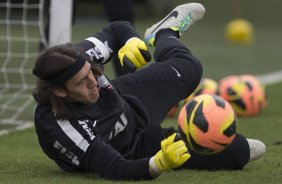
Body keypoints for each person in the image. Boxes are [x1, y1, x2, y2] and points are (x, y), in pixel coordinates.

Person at [32, 3, 266, 180]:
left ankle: (164, 33)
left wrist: (132, 40)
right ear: (60, 92)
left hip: (125, 101)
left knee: (191, 69)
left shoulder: (77, 58)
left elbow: (116, 30)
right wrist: (159, 163)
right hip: (132, 149)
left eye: (92, 72)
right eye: (82, 82)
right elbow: (116, 168)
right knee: (239, 152)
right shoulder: (63, 128)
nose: (93, 81)